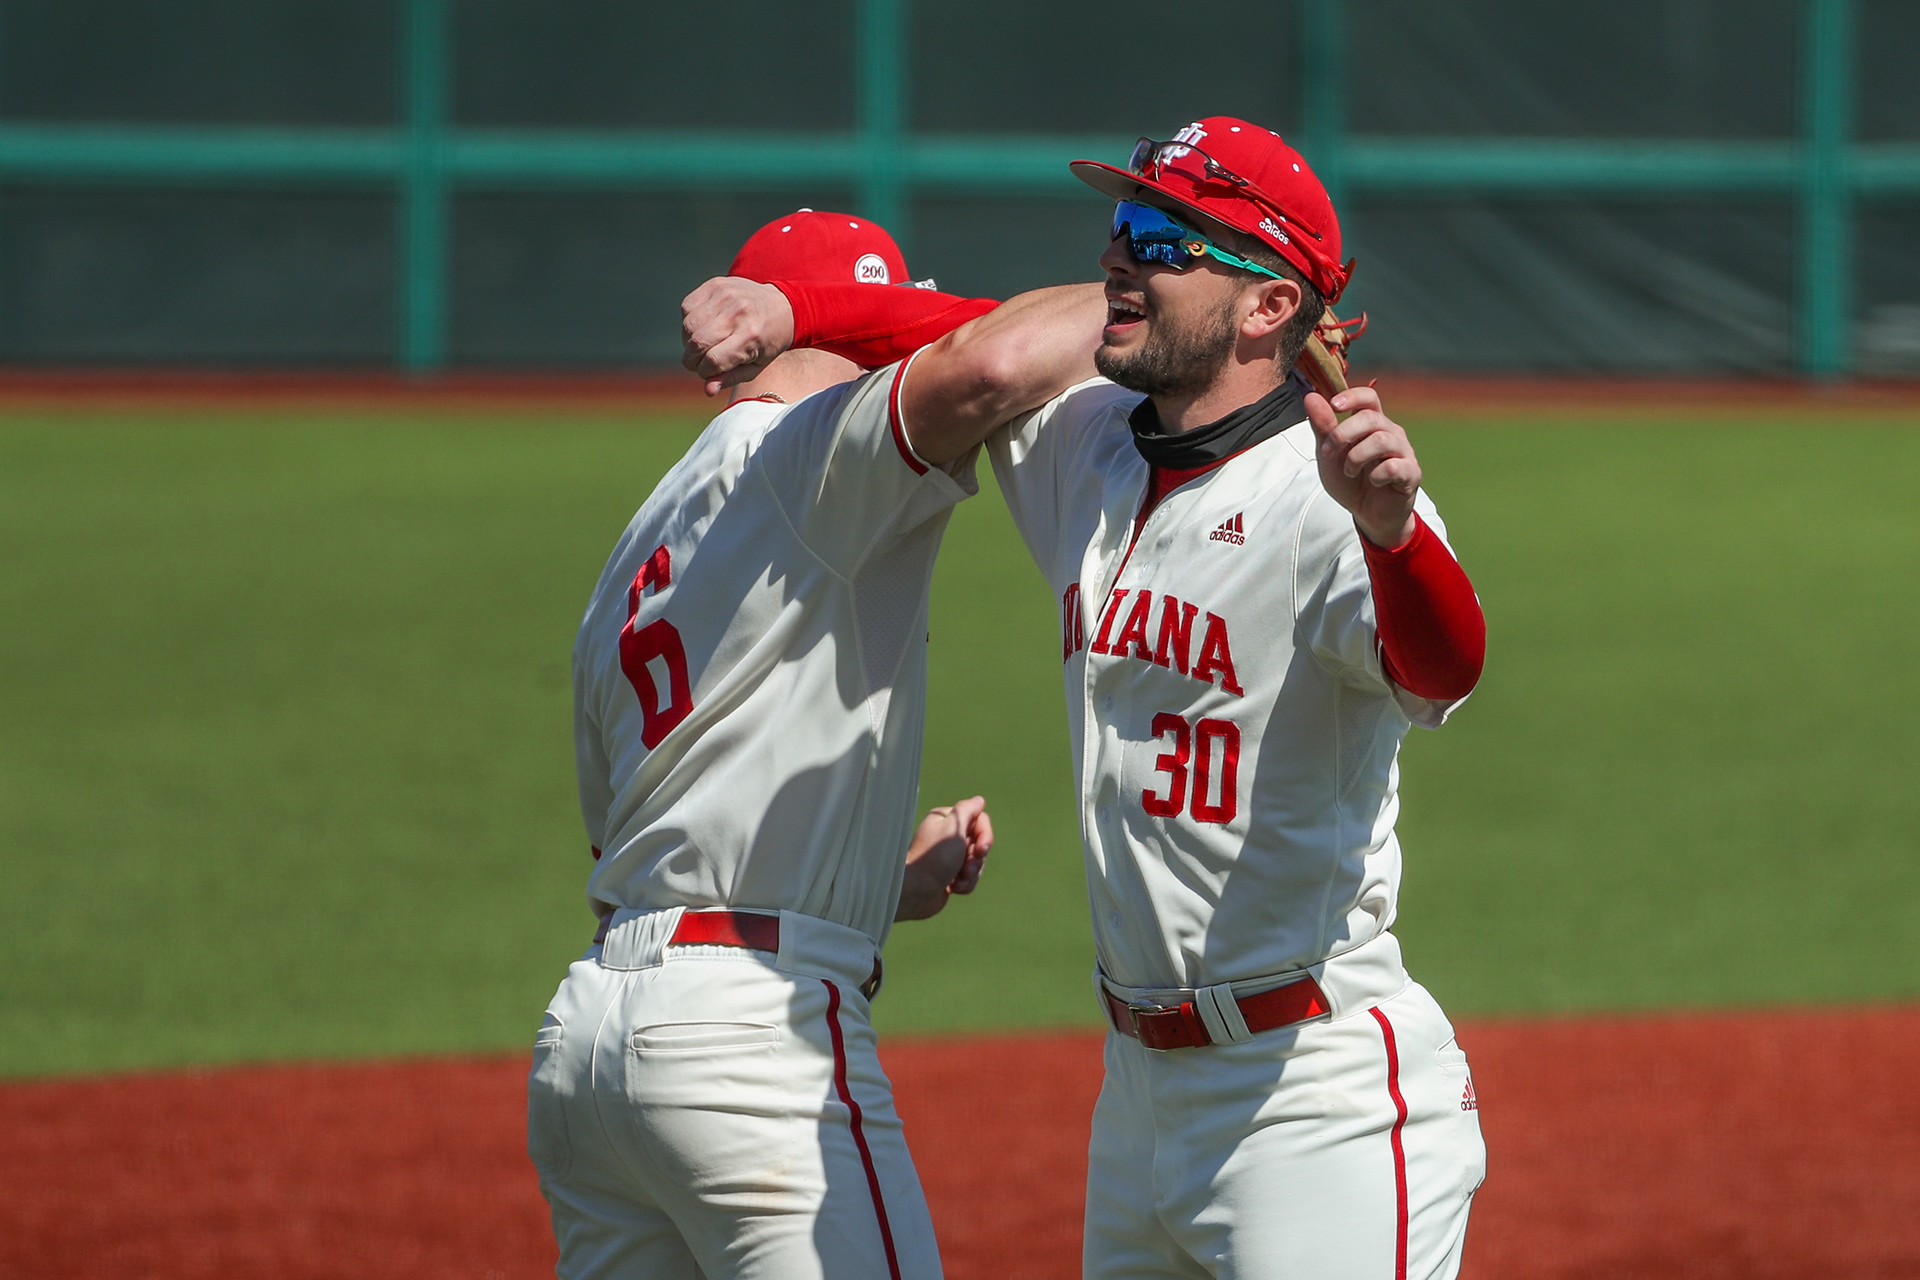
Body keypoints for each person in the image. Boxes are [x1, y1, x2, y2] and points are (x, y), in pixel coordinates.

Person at [684, 118, 1489, 1279]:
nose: (1121, 258)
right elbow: (971, 341)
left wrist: (1394, 530)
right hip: (1136, 1101)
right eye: (1121, 227)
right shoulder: (1090, 443)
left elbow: (1442, 668)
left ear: (1268, 308)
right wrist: (796, 317)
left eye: (1166, 239)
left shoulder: (1321, 496)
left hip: (1317, 1097)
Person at [532, 210, 1047, 1280]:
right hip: (746, 1039)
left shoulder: (637, 548)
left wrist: (872, 877)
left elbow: (639, 847)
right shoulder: (813, 455)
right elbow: (997, 358)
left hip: (593, 1041)